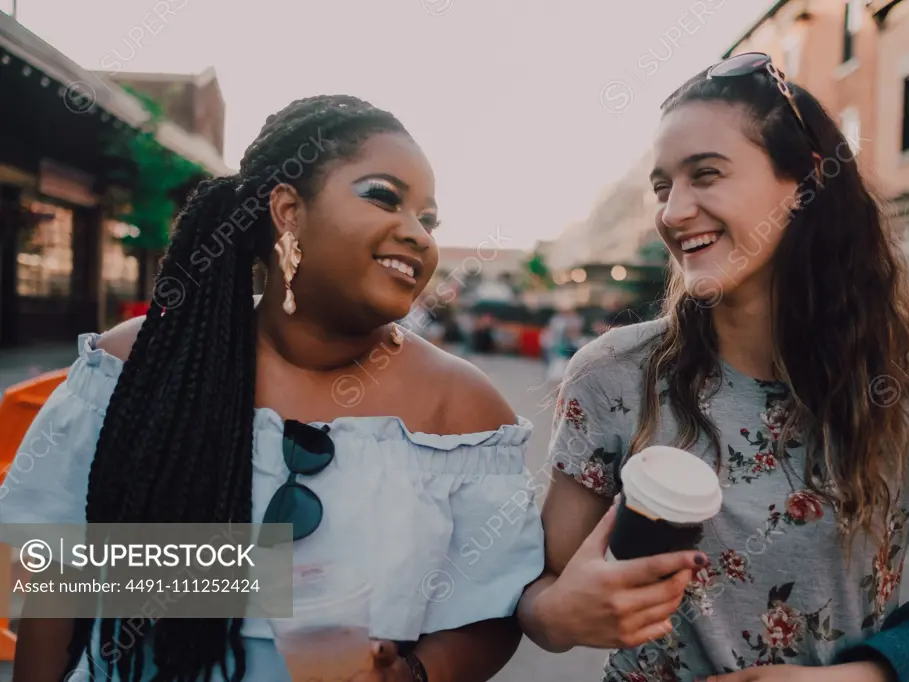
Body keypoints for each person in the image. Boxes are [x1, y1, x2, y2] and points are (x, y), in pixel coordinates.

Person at [515, 53, 909, 680]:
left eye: (706, 174)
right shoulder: (613, 373)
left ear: (807, 183)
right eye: (662, 187)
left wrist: (853, 679)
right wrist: (561, 614)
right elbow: (539, 594)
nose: (673, 212)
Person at [1, 96, 543, 681]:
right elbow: (52, 577)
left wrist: (410, 674)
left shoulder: (463, 408)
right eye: (383, 197)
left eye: (429, 220)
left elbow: (493, 610)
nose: (417, 234)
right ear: (288, 210)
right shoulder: (138, 361)